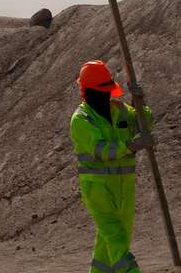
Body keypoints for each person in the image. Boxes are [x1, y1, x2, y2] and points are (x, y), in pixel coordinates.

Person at [70, 60, 155, 273]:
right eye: (102, 91)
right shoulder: (81, 119)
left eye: (107, 90)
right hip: (98, 191)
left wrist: (139, 103)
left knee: (110, 245)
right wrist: (130, 145)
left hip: (124, 188)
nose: (106, 95)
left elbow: (145, 122)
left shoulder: (119, 109)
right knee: (117, 242)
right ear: (87, 91)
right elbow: (101, 150)